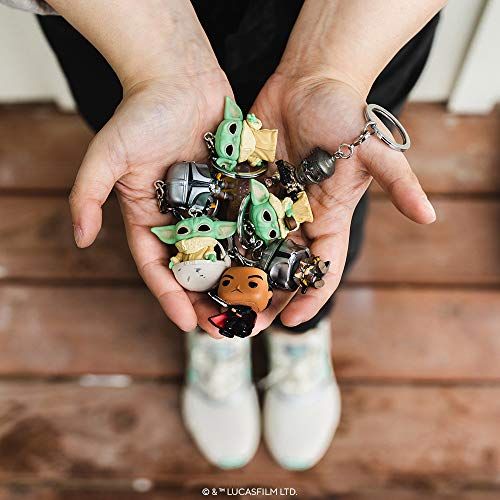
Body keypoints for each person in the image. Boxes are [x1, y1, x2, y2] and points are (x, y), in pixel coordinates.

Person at [2, 0, 443, 470]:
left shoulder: (263, 203)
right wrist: (156, 67)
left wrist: (333, 68)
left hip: (366, 25)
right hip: (119, 25)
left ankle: (303, 329)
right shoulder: (218, 206)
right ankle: (220, 333)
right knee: (311, 209)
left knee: (332, 210)